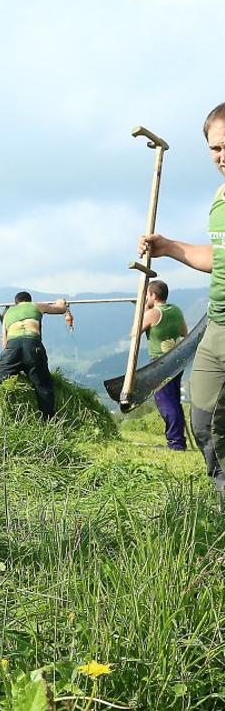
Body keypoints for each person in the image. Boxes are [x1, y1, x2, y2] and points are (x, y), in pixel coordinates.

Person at [138, 102, 225, 492]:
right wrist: (170, 246)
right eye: (215, 149)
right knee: (205, 422)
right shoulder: (221, 196)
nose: (222, 157)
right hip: (217, 322)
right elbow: (217, 255)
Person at [0, 292, 67, 420]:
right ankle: (48, 422)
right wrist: (61, 302)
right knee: (43, 386)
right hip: (32, 345)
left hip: (11, 348)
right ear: (29, 300)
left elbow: (4, 341)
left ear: (16, 302)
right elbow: (61, 310)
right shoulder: (37, 306)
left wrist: (6, 361)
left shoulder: (7, 314)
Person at [139, 279, 188, 451]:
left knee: (165, 402)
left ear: (153, 295)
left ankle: (175, 443)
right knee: (174, 401)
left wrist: (144, 309)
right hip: (177, 359)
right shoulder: (176, 310)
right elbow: (183, 332)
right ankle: (179, 440)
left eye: (147, 296)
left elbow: (135, 331)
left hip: (160, 362)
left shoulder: (153, 313)